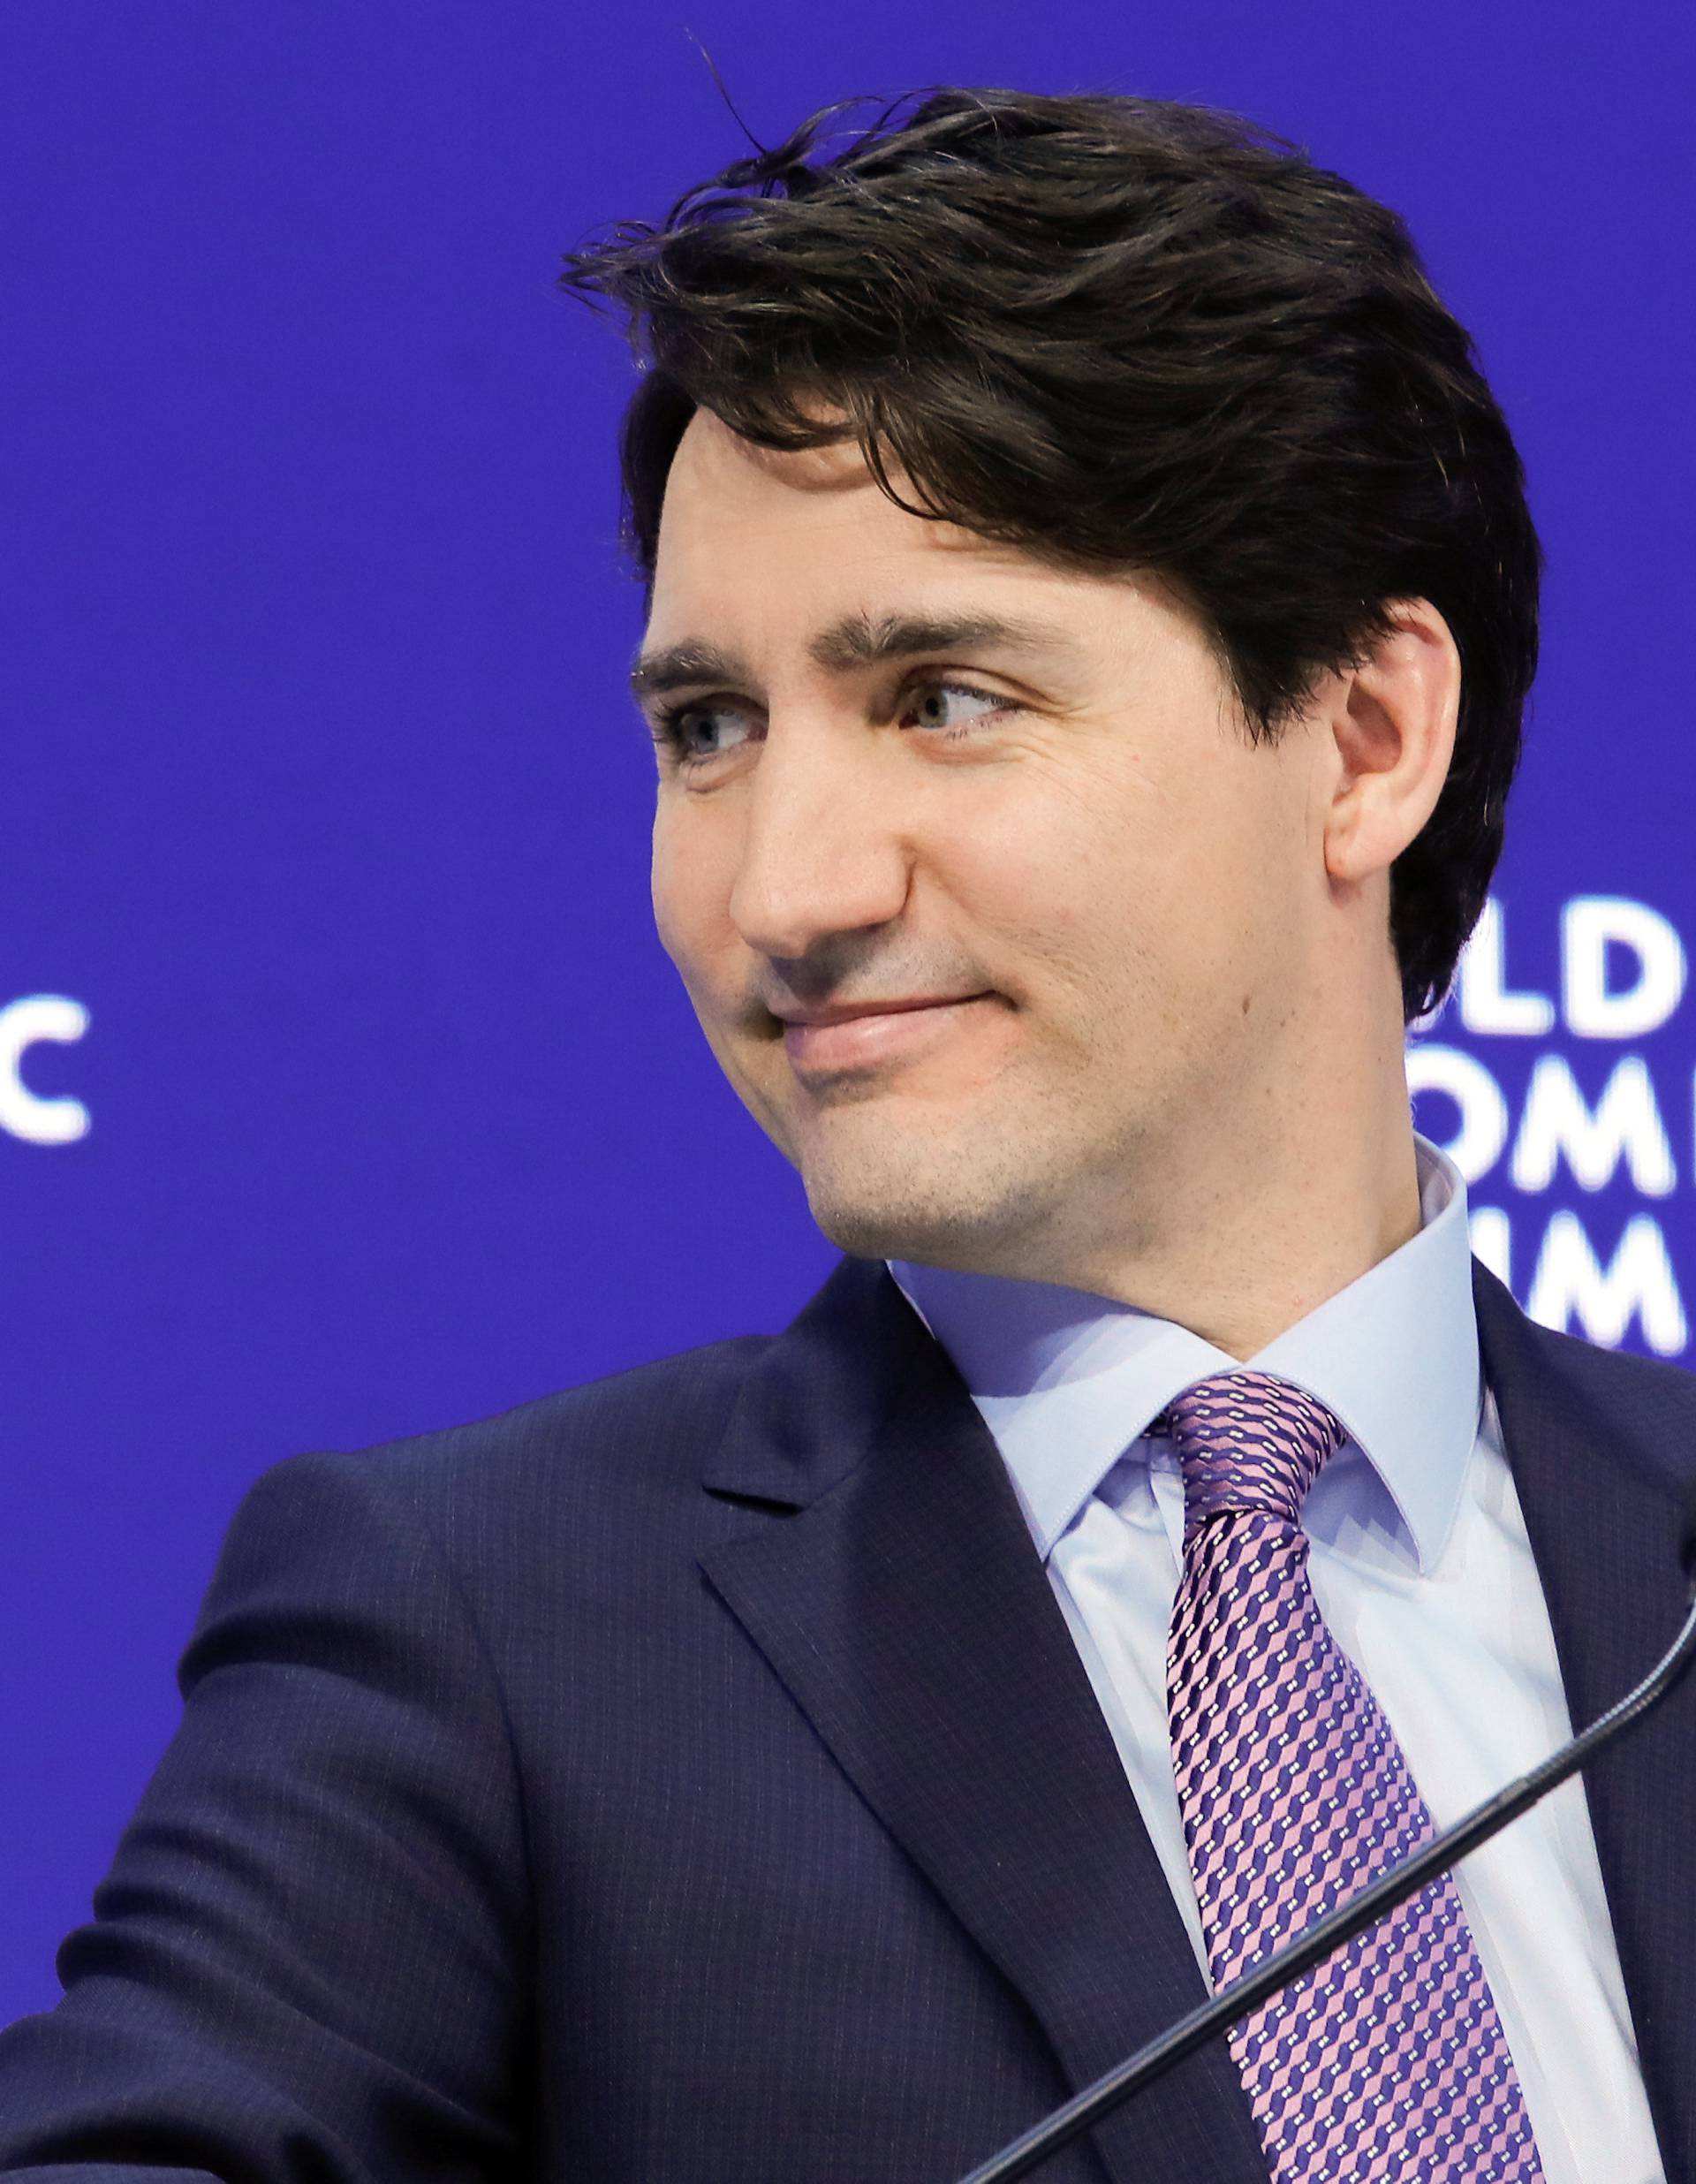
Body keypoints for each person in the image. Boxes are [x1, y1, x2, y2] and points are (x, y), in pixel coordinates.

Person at [2, 84, 1692, 2184]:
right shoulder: (479, 1641)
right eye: (708, 729)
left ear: (1362, 740)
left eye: (944, 696)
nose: (786, 887)